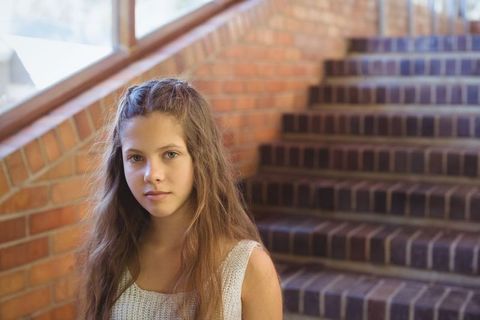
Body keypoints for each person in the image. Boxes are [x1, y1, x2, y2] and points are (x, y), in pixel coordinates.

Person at [77, 78, 283, 320]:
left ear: (200, 158)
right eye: (135, 158)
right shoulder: (111, 255)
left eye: (170, 154)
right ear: (120, 164)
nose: (152, 174)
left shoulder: (248, 267)